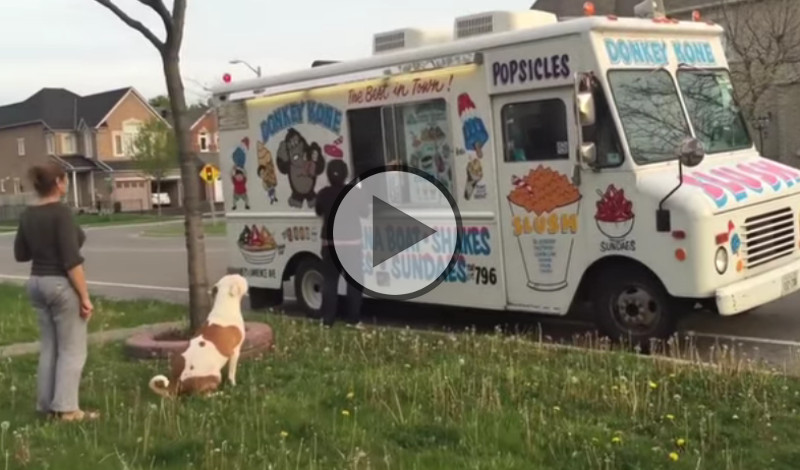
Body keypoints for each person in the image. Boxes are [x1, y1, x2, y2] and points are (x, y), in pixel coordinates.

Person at [13, 162, 98, 422]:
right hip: (60, 284)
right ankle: (67, 409)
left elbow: (21, 254)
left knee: (50, 347)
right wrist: (85, 297)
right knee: (72, 349)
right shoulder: (61, 213)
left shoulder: (27, 214)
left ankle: (46, 406)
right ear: (59, 183)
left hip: (37, 283)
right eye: (66, 180)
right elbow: (72, 260)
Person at [315, 159, 367, 329]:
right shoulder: (354, 193)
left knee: (330, 282)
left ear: (328, 175)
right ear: (346, 175)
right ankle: (353, 320)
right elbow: (365, 212)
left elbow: (318, 211)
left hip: (330, 245)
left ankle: (327, 321)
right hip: (352, 244)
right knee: (354, 282)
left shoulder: (323, 194)